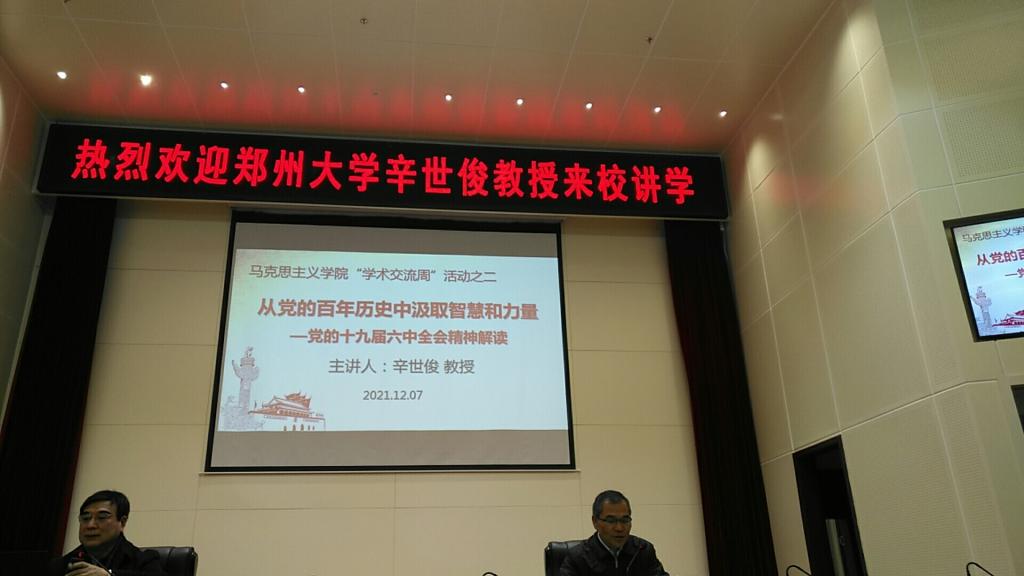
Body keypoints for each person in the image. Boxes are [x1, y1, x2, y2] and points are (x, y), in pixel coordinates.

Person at [47, 490, 165, 576]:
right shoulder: (59, 565)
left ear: (122, 522)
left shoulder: (144, 560)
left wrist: (109, 575)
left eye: (102, 517)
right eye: (85, 518)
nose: (90, 525)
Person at [560, 489, 669, 575]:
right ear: (595, 522)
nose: (619, 528)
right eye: (611, 521)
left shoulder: (642, 550)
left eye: (625, 520)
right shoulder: (578, 558)